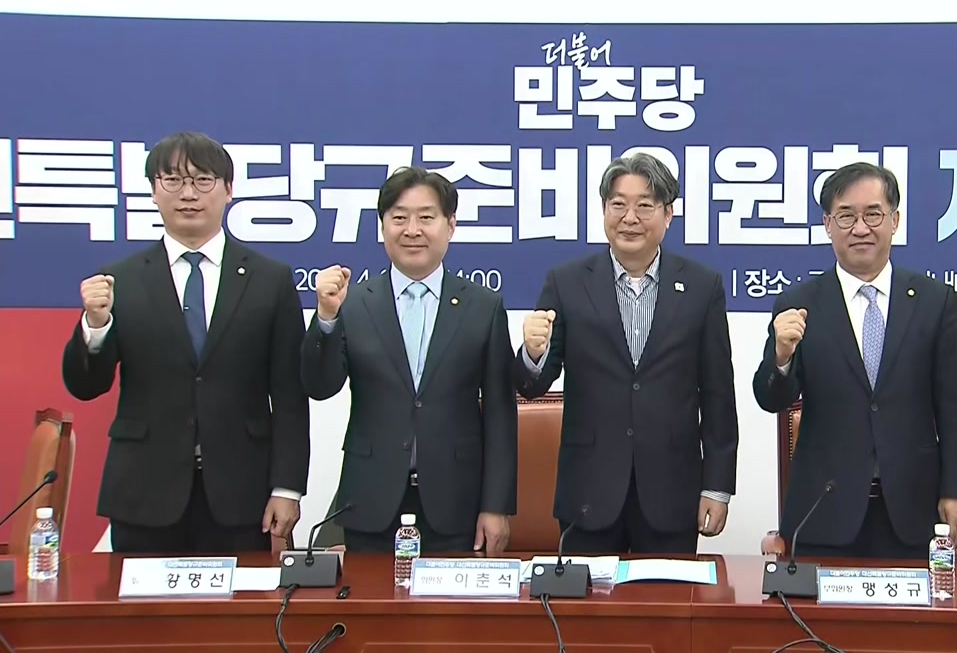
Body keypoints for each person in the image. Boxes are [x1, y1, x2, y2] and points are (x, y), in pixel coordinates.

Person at [61, 131, 310, 554]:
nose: (188, 194)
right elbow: (86, 386)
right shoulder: (121, 279)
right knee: (140, 600)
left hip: (239, 492)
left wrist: (287, 488)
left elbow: (289, 394)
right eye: (173, 180)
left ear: (228, 190)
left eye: (203, 180)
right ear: (154, 190)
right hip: (144, 492)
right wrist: (96, 325)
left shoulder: (270, 280)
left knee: (237, 600)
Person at [515, 153, 738, 555]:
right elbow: (533, 385)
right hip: (588, 491)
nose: (630, 217)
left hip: (673, 493)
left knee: (669, 596)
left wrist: (717, 487)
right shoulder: (566, 283)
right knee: (586, 598)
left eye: (644, 206)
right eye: (618, 204)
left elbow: (718, 394)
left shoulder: (703, 286)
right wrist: (533, 353)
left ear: (668, 214)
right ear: (604, 210)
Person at [754, 162, 957, 560]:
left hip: (913, 509)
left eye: (873, 214)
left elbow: (955, 408)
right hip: (823, 510)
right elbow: (771, 398)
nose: (860, 228)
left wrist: (956, 492)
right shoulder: (799, 303)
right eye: (846, 216)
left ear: (895, 220)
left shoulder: (934, 300)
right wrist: (782, 357)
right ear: (827, 224)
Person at [301, 167, 517, 556]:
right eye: (399, 217)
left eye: (426, 217)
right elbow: (319, 385)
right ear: (382, 225)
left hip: (456, 505)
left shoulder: (483, 306)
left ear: (450, 225)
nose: (412, 230)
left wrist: (496, 505)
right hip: (371, 500)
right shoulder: (354, 303)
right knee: (370, 597)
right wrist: (326, 319)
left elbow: (501, 413)